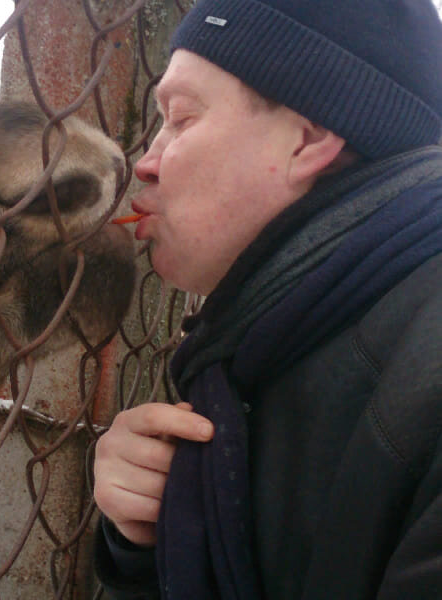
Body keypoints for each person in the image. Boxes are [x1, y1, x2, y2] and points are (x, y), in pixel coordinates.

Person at [92, 1, 442, 598]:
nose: (145, 164)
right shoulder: (272, 348)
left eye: (180, 118)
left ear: (308, 139)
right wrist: (153, 542)